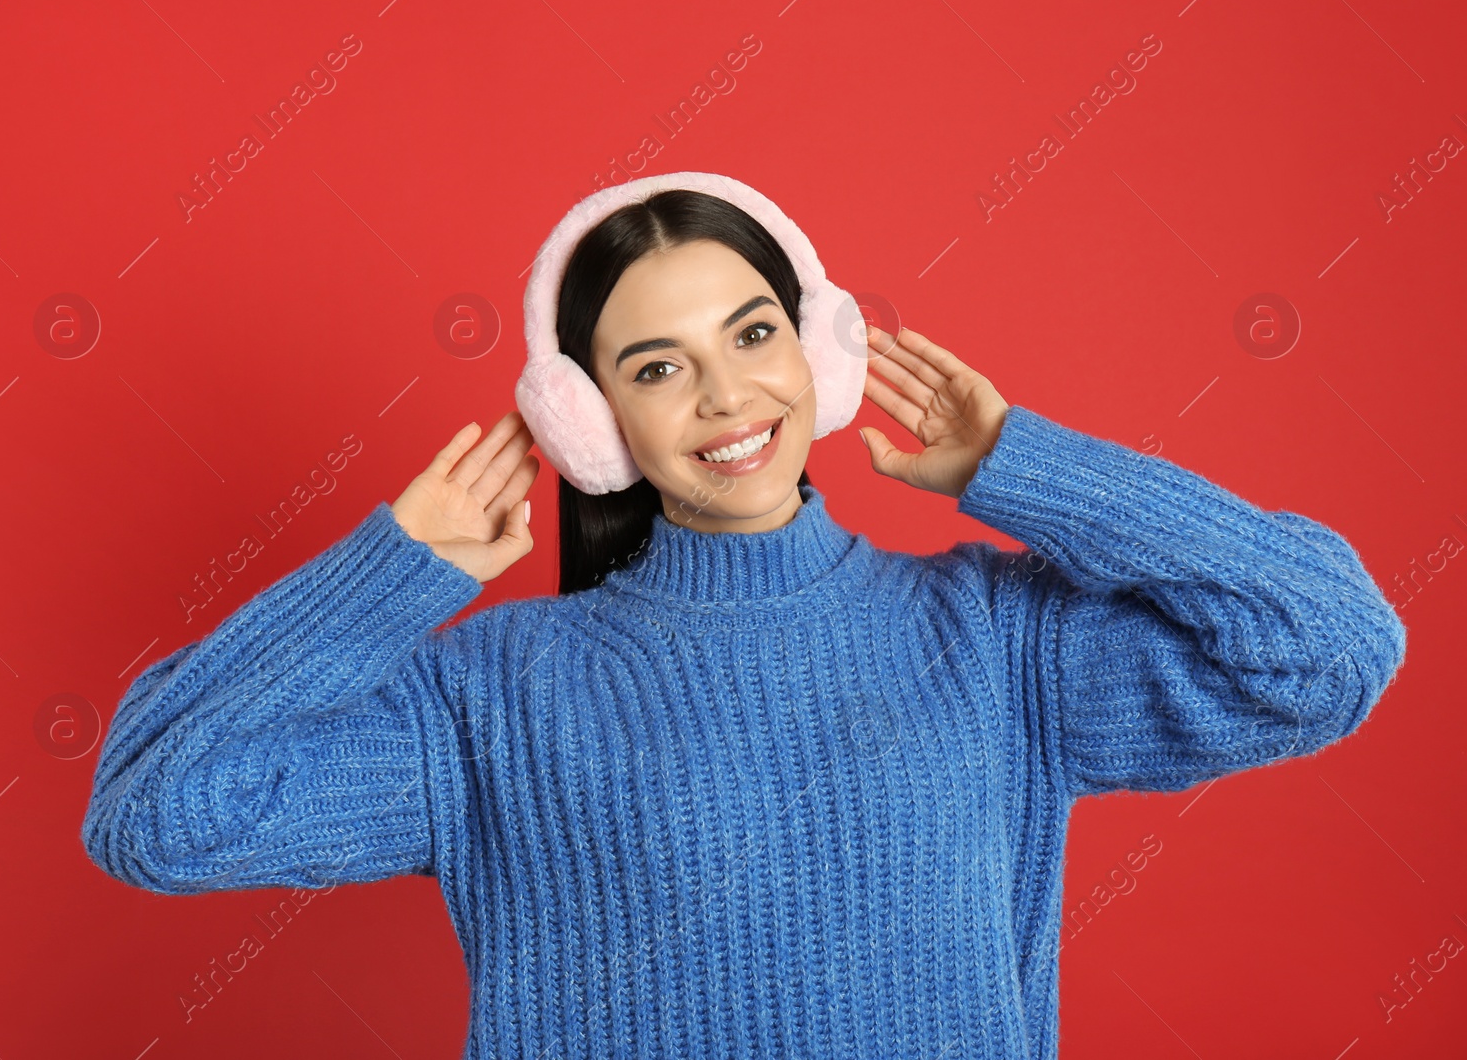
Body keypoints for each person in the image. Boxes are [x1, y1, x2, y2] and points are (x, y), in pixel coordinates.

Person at [80, 173, 1407, 1059]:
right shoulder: (487, 695)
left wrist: (1031, 470)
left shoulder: (996, 641)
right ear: (590, 421)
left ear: (819, 356)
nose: (726, 398)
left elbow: (1329, 647)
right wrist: (389, 574)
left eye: (754, 335)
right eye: (659, 367)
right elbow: (154, 815)